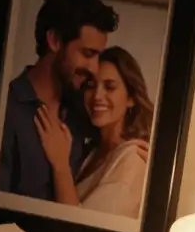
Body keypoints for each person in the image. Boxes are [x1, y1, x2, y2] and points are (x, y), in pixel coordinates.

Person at [0, 0, 118, 199]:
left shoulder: (81, 110)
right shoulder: (4, 110)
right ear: (54, 41)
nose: (94, 68)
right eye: (88, 53)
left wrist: (135, 152)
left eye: (98, 56)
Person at [35, 45, 154, 218]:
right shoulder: (93, 151)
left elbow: (80, 228)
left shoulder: (133, 158)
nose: (97, 95)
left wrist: (60, 166)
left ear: (131, 98)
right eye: (91, 85)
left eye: (110, 87)